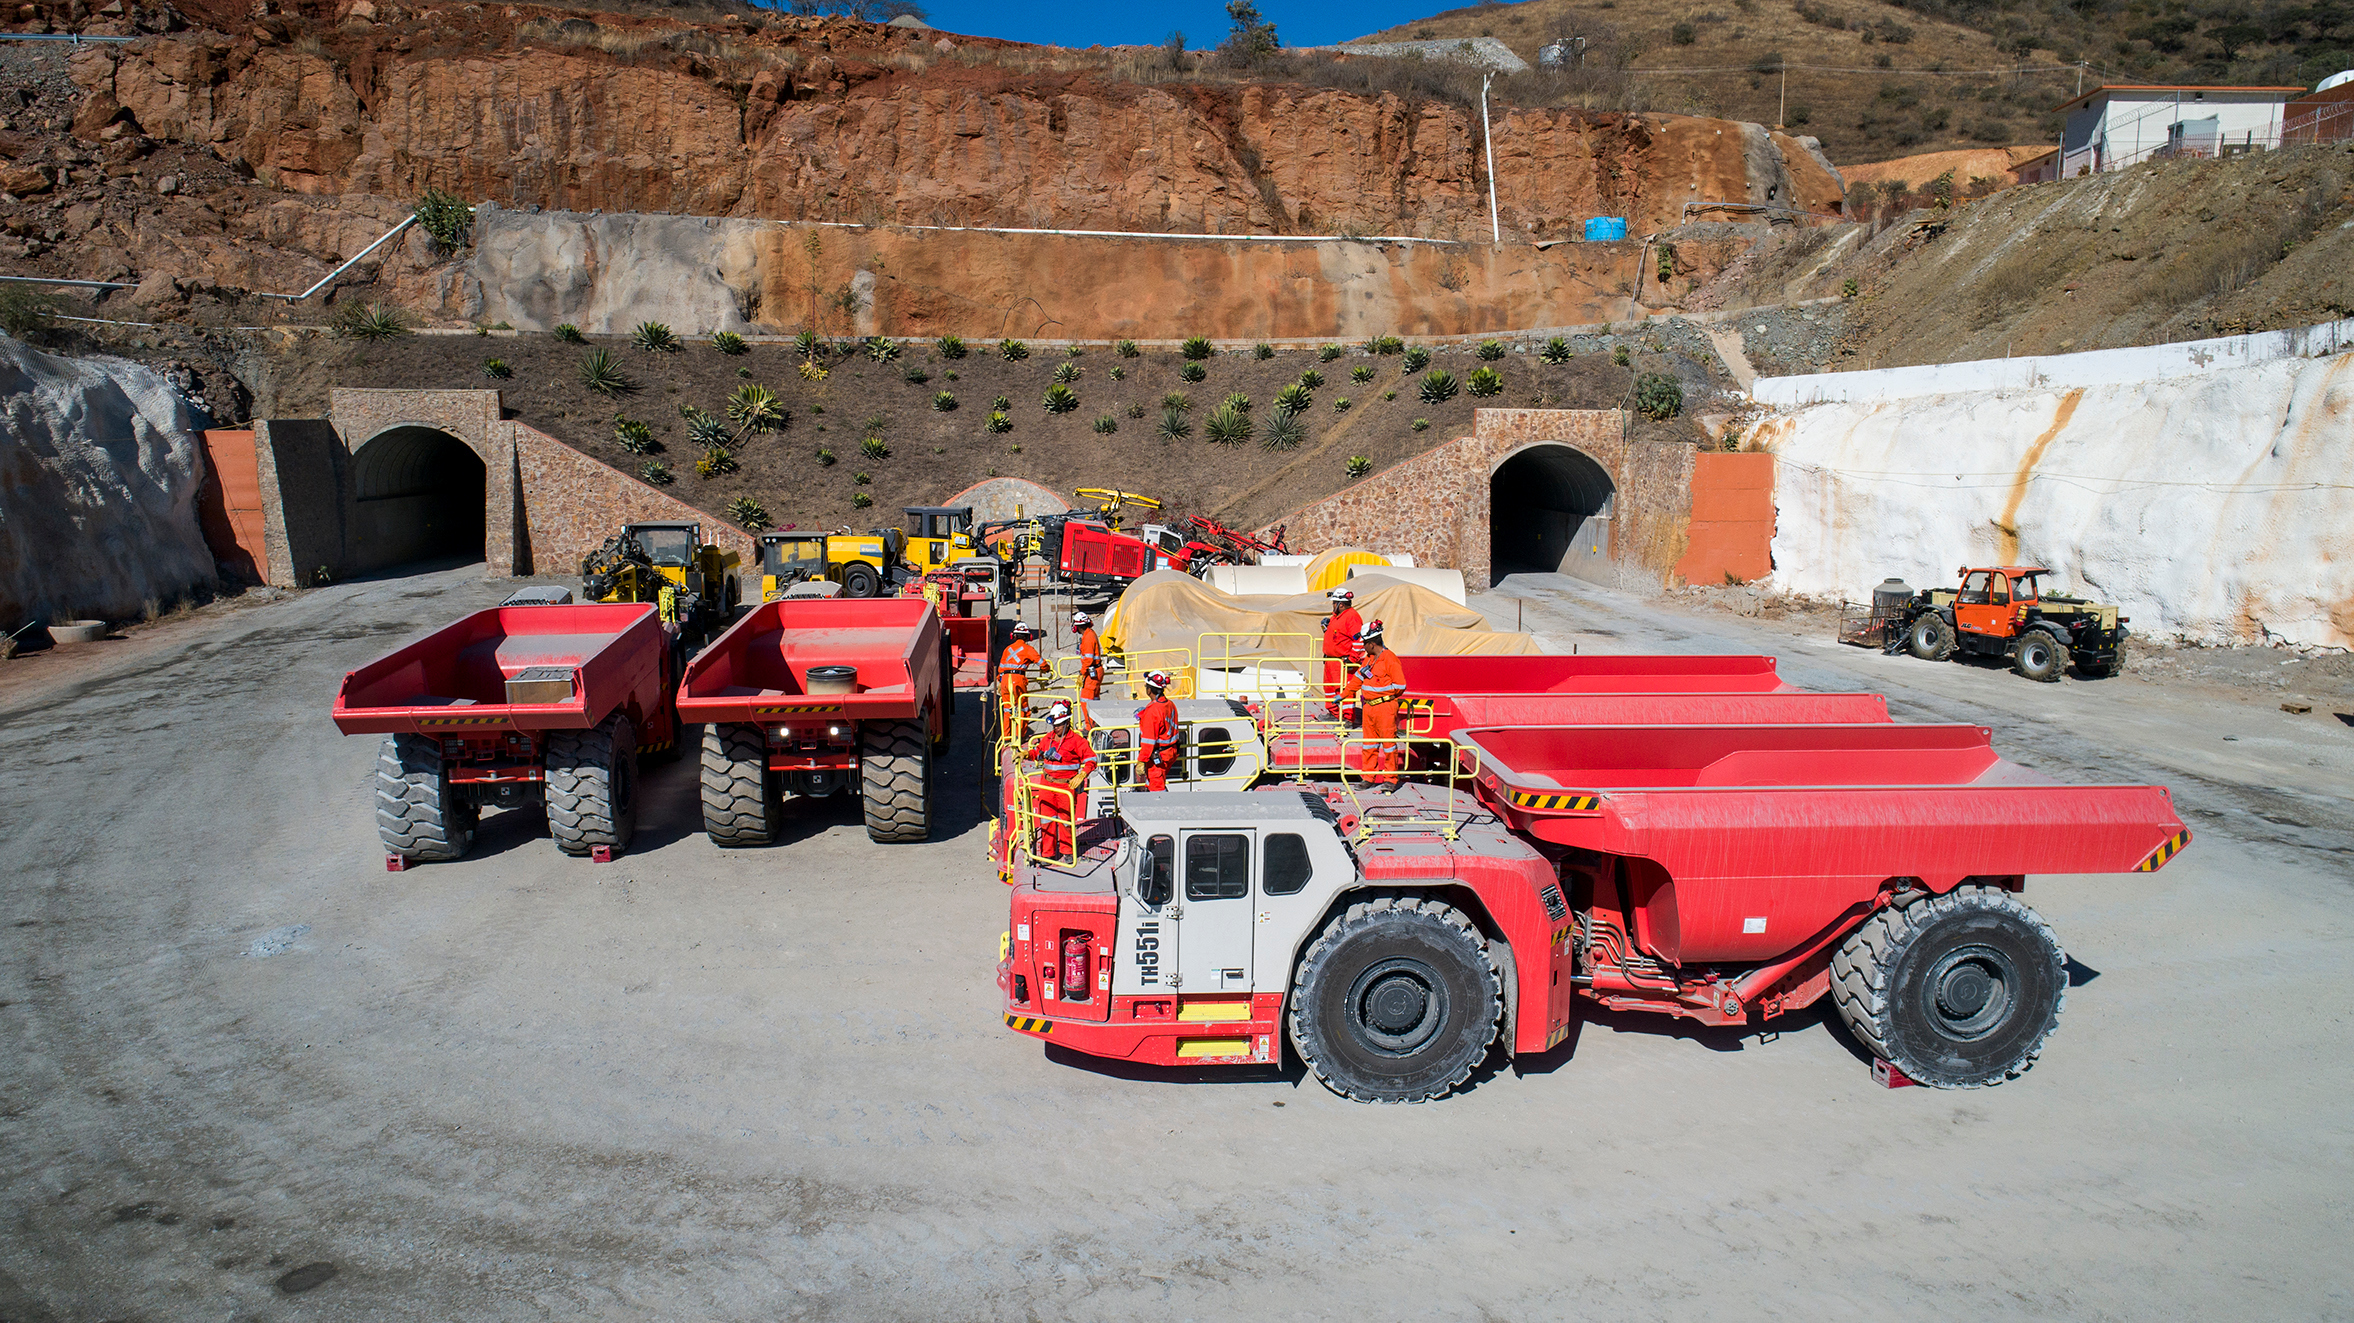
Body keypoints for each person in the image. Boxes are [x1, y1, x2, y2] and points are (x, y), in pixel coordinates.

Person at [1022, 701, 1097, 860]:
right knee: (1046, 821)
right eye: (1054, 725)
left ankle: (1067, 852)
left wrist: (1082, 774)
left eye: (1059, 725)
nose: (1055, 728)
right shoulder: (1048, 738)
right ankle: (1047, 854)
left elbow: (1092, 759)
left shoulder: (1077, 741)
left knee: (1065, 821)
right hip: (1047, 786)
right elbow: (1038, 752)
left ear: (1066, 722)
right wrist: (1026, 754)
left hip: (1065, 787)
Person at [1341, 619, 1407, 787]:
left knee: (1389, 746)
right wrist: (1344, 694)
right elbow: (1358, 678)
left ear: (1371, 643)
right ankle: (1368, 778)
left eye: (1364, 643)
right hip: (1369, 707)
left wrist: (1382, 693)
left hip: (1385, 708)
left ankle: (1390, 780)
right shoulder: (1370, 659)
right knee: (1369, 745)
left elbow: (1400, 686)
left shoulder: (1389, 659)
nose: (1363, 646)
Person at [1135, 670, 1182, 793]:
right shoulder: (1170, 704)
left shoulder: (1153, 711)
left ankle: (1160, 809)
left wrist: (1141, 760)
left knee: (1157, 788)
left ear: (1149, 690)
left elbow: (1148, 740)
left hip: (1159, 756)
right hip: (1171, 751)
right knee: (1155, 781)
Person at [1320, 588, 1362, 714]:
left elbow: (1359, 641)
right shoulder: (1337, 617)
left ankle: (1347, 717)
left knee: (1344, 690)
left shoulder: (1352, 617)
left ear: (1341, 604)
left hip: (1342, 662)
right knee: (1330, 688)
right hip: (1331, 661)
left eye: (1334, 603)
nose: (1333, 605)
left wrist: (1352, 659)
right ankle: (1333, 712)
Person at [997, 623, 1043, 735]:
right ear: (1028, 637)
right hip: (1017, 680)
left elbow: (1000, 669)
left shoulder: (1007, 649)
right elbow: (1042, 663)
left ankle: (1007, 737)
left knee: (1007, 709)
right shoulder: (1028, 649)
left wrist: (1001, 682)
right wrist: (1047, 669)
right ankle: (1019, 736)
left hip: (1005, 680)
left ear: (1014, 636)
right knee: (1023, 708)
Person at [1073, 609, 1104, 700]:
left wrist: (1082, 673)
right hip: (1095, 671)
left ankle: (1088, 715)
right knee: (1094, 699)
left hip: (1092, 673)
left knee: (1086, 701)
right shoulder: (1090, 633)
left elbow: (1088, 659)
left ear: (1078, 626)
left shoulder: (1088, 638)